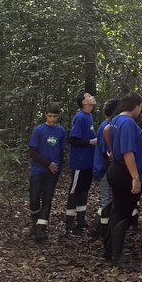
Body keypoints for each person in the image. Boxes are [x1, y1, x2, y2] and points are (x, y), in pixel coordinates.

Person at [104, 91, 142, 268]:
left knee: (117, 211)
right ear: (135, 106)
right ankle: (117, 255)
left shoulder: (116, 120)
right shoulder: (128, 123)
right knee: (123, 213)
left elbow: (106, 131)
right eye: (140, 107)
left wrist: (111, 149)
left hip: (116, 168)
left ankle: (110, 249)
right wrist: (135, 177)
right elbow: (128, 152)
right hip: (124, 172)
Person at [28, 102, 66, 242]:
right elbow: (32, 152)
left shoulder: (61, 131)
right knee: (34, 199)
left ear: (58, 116)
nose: (52, 119)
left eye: (54, 116)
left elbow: (61, 151)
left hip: (53, 172)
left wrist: (59, 168)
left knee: (47, 199)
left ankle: (41, 230)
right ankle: (35, 222)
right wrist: (47, 163)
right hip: (38, 170)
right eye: (49, 116)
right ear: (45, 115)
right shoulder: (39, 130)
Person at [65, 91, 97, 236]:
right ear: (84, 102)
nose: (92, 97)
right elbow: (73, 139)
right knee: (75, 191)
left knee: (84, 190)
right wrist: (90, 142)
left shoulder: (90, 116)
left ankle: (81, 222)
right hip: (79, 161)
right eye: (89, 96)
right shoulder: (80, 117)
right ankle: (70, 224)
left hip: (88, 162)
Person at [92, 97, 119, 238]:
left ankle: (97, 228)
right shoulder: (106, 126)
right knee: (107, 200)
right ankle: (103, 233)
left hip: (106, 168)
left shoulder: (110, 125)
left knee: (108, 200)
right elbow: (105, 151)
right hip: (103, 169)